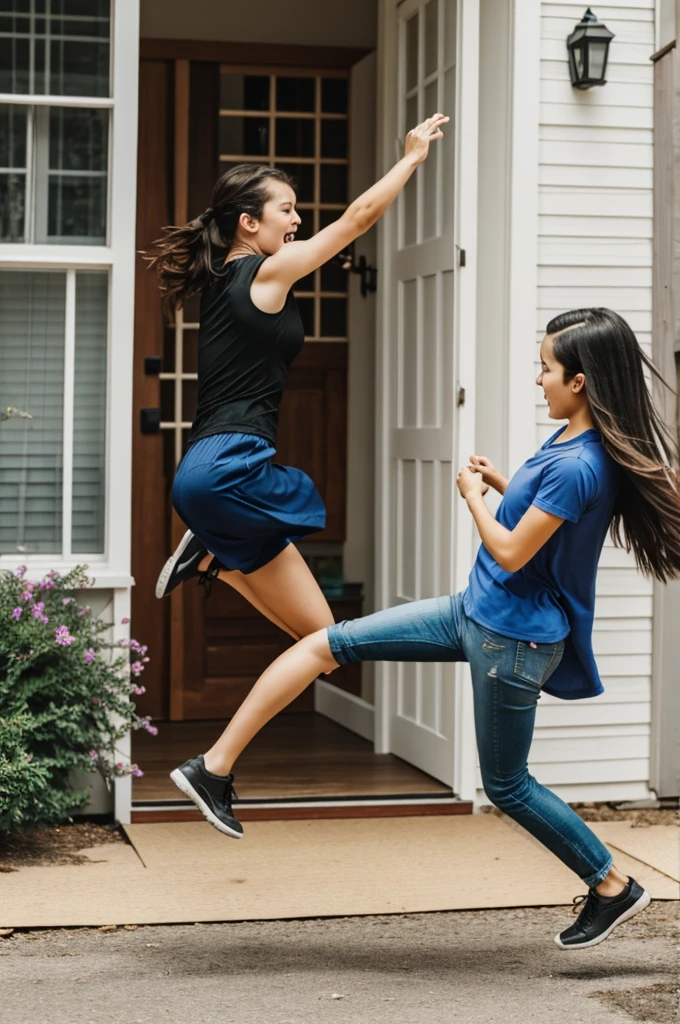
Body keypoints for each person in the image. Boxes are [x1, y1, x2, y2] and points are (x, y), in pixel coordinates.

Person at [170, 308, 680, 949]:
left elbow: (514, 552)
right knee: (330, 641)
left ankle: (611, 885)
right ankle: (213, 768)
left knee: (507, 784)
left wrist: (473, 496)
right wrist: (500, 482)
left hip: (513, 640)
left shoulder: (579, 463)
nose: (538, 380)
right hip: (475, 612)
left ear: (579, 382)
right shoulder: (569, 445)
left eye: (546, 368)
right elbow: (543, 520)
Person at [147, 113, 448, 640]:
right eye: (285, 209)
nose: (296, 220)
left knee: (318, 637)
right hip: (230, 470)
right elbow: (356, 221)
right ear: (248, 222)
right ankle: (207, 550)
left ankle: (207, 560)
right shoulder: (262, 273)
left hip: (203, 473)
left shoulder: (221, 281)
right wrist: (410, 158)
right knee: (307, 506)